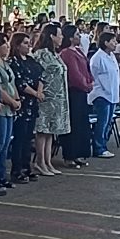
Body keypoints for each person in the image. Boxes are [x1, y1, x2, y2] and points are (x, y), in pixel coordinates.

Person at [32, 24, 69, 177]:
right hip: (46, 99)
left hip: (57, 99)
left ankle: (47, 162)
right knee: (43, 131)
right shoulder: (42, 54)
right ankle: (40, 162)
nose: (62, 38)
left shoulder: (54, 54)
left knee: (50, 132)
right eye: (59, 34)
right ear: (52, 36)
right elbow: (40, 75)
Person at [8, 33, 42, 184]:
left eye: (29, 43)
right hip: (21, 104)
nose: (29, 46)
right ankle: (17, 169)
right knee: (20, 138)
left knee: (28, 138)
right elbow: (20, 83)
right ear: (17, 45)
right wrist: (35, 93)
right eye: (25, 43)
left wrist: (39, 92)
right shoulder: (13, 62)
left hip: (32, 104)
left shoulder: (30, 60)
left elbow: (41, 75)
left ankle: (27, 167)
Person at [0, 32, 20, 192]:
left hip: (10, 109)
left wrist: (17, 99)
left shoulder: (5, 62)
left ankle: (2, 176)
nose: (7, 48)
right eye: (4, 45)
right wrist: (12, 101)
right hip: (1, 107)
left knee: (6, 144)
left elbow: (11, 82)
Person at [58, 24, 92, 168]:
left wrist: (90, 82)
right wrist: (85, 84)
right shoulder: (66, 53)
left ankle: (79, 153)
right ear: (70, 37)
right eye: (77, 35)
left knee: (81, 124)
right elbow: (74, 74)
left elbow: (86, 69)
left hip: (82, 92)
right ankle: (70, 155)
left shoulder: (78, 51)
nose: (79, 37)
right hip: (74, 92)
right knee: (74, 123)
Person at [88, 32, 120, 158]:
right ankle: (99, 148)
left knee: (108, 122)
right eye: (113, 41)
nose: (115, 43)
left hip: (112, 93)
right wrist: (106, 89)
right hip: (101, 94)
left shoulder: (111, 56)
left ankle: (104, 144)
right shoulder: (98, 58)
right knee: (102, 122)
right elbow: (95, 76)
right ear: (105, 43)